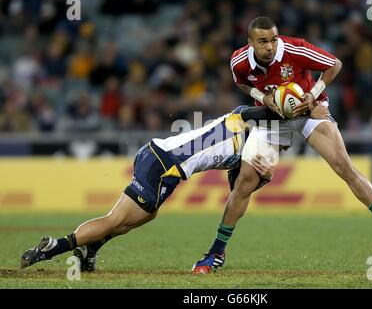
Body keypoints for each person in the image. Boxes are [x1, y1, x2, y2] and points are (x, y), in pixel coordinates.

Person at [191, 17, 372, 274]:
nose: (270, 46)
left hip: (310, 112)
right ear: (250, 43)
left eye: (273, 39)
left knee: (343, 166)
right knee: (244, 182)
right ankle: (216, 252)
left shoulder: (294, 49)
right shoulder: (238, 61)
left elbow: (334, 64)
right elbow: (241, 82)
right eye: (263, 42)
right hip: (273, 118)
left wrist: (313, 94)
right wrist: (263, 98)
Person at [19, 105, 283, 271]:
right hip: (163, 164)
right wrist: (286, 108)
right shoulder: (240, 123)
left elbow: (236, 189)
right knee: (115, 220)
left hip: (157, 157)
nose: (272, 148)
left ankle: (90, 249)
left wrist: (263, 176)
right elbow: (249, 111)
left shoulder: (243, 152)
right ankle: (53, 247)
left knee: (144, 214)